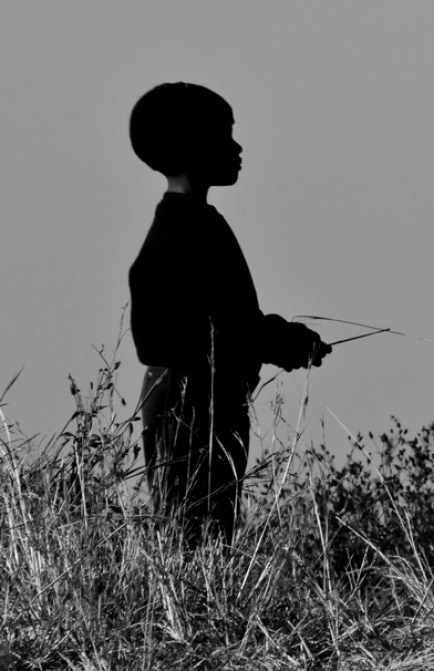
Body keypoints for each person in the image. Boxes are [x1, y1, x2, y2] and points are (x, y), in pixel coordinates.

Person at [128, 82, 331, 544]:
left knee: (205, 537)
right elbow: (160, 336)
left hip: (206, 405)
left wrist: (279, 339)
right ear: (191, 145)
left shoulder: (194, 223)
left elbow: (222, 321)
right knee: (194, 539)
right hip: (189, 409)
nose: (237, 147)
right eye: (224, 135)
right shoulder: (183, 231)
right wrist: (274, 341)